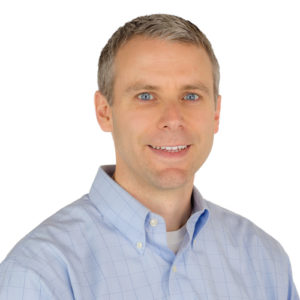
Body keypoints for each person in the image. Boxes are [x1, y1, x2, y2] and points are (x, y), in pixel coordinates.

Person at [0, 14, 298, 300]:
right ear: (105, 112)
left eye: (191, 96)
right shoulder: (40, 274)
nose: (173, 118)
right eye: (146, 96)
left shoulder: (265, 262)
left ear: (216, 113)